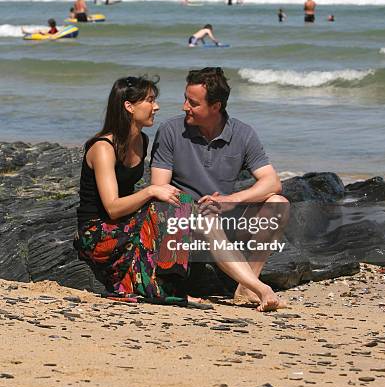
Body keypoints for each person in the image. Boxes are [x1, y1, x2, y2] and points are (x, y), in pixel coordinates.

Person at [151, 67, 289, 311]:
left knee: (279, 203)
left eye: (192, 103)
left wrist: (230, 200)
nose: (184, 107)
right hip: (183, 224)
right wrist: (195, 208)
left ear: (215, 107)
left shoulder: (243, 133)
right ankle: (260, 288)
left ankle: (247, 286)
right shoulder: (170, 131)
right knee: (206, 218)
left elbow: (271, 182)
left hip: (226, 219)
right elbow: (159, 188)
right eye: (186, 99)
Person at [74, 76, 193, 304]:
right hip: (97, 232)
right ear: (129, 106)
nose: (156, 106)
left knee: (182, 201)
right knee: (158, 204)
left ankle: (171, 282)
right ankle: (150, 284)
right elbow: (112, 207)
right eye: (149, 100)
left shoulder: (142, 141)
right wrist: (150, 191)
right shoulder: (103, 147)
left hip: (123, 224)